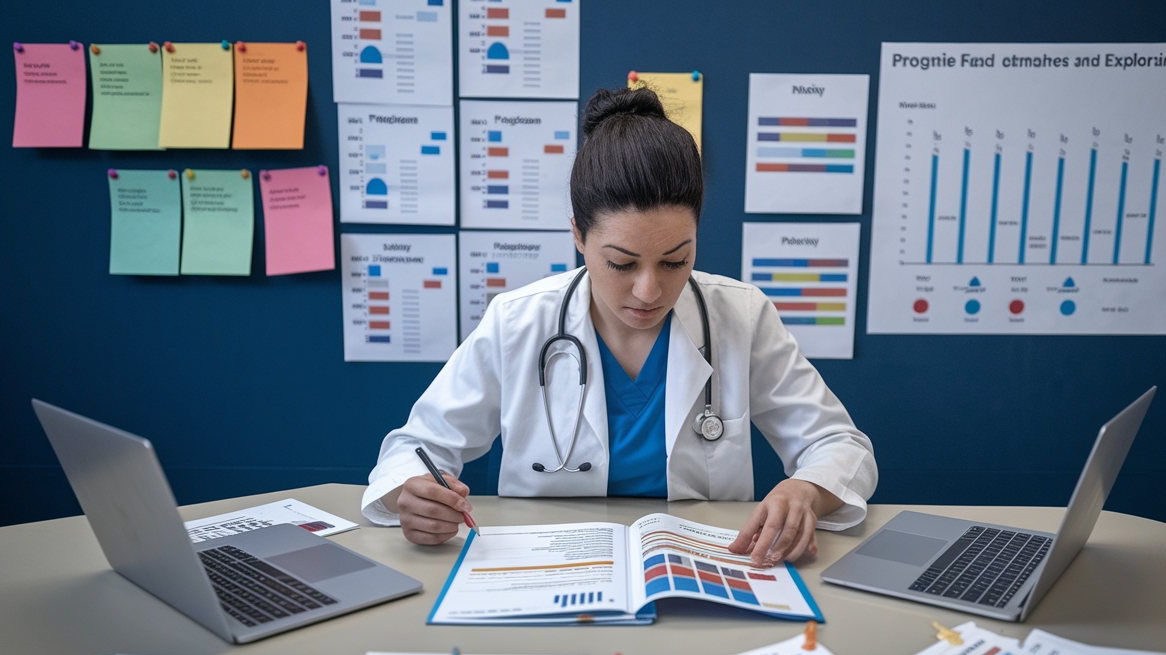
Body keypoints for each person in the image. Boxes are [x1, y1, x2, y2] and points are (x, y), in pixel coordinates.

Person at [362, 86, 877, 567]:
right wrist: (413, 494)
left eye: (676, 261)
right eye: (622, 264)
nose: (649, 291)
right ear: (579, 237)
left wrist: (805, 490)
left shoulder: (740, 316)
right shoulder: (518, 322)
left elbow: (841, 445)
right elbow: (413, 451)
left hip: (703, 569)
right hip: (547, 567)